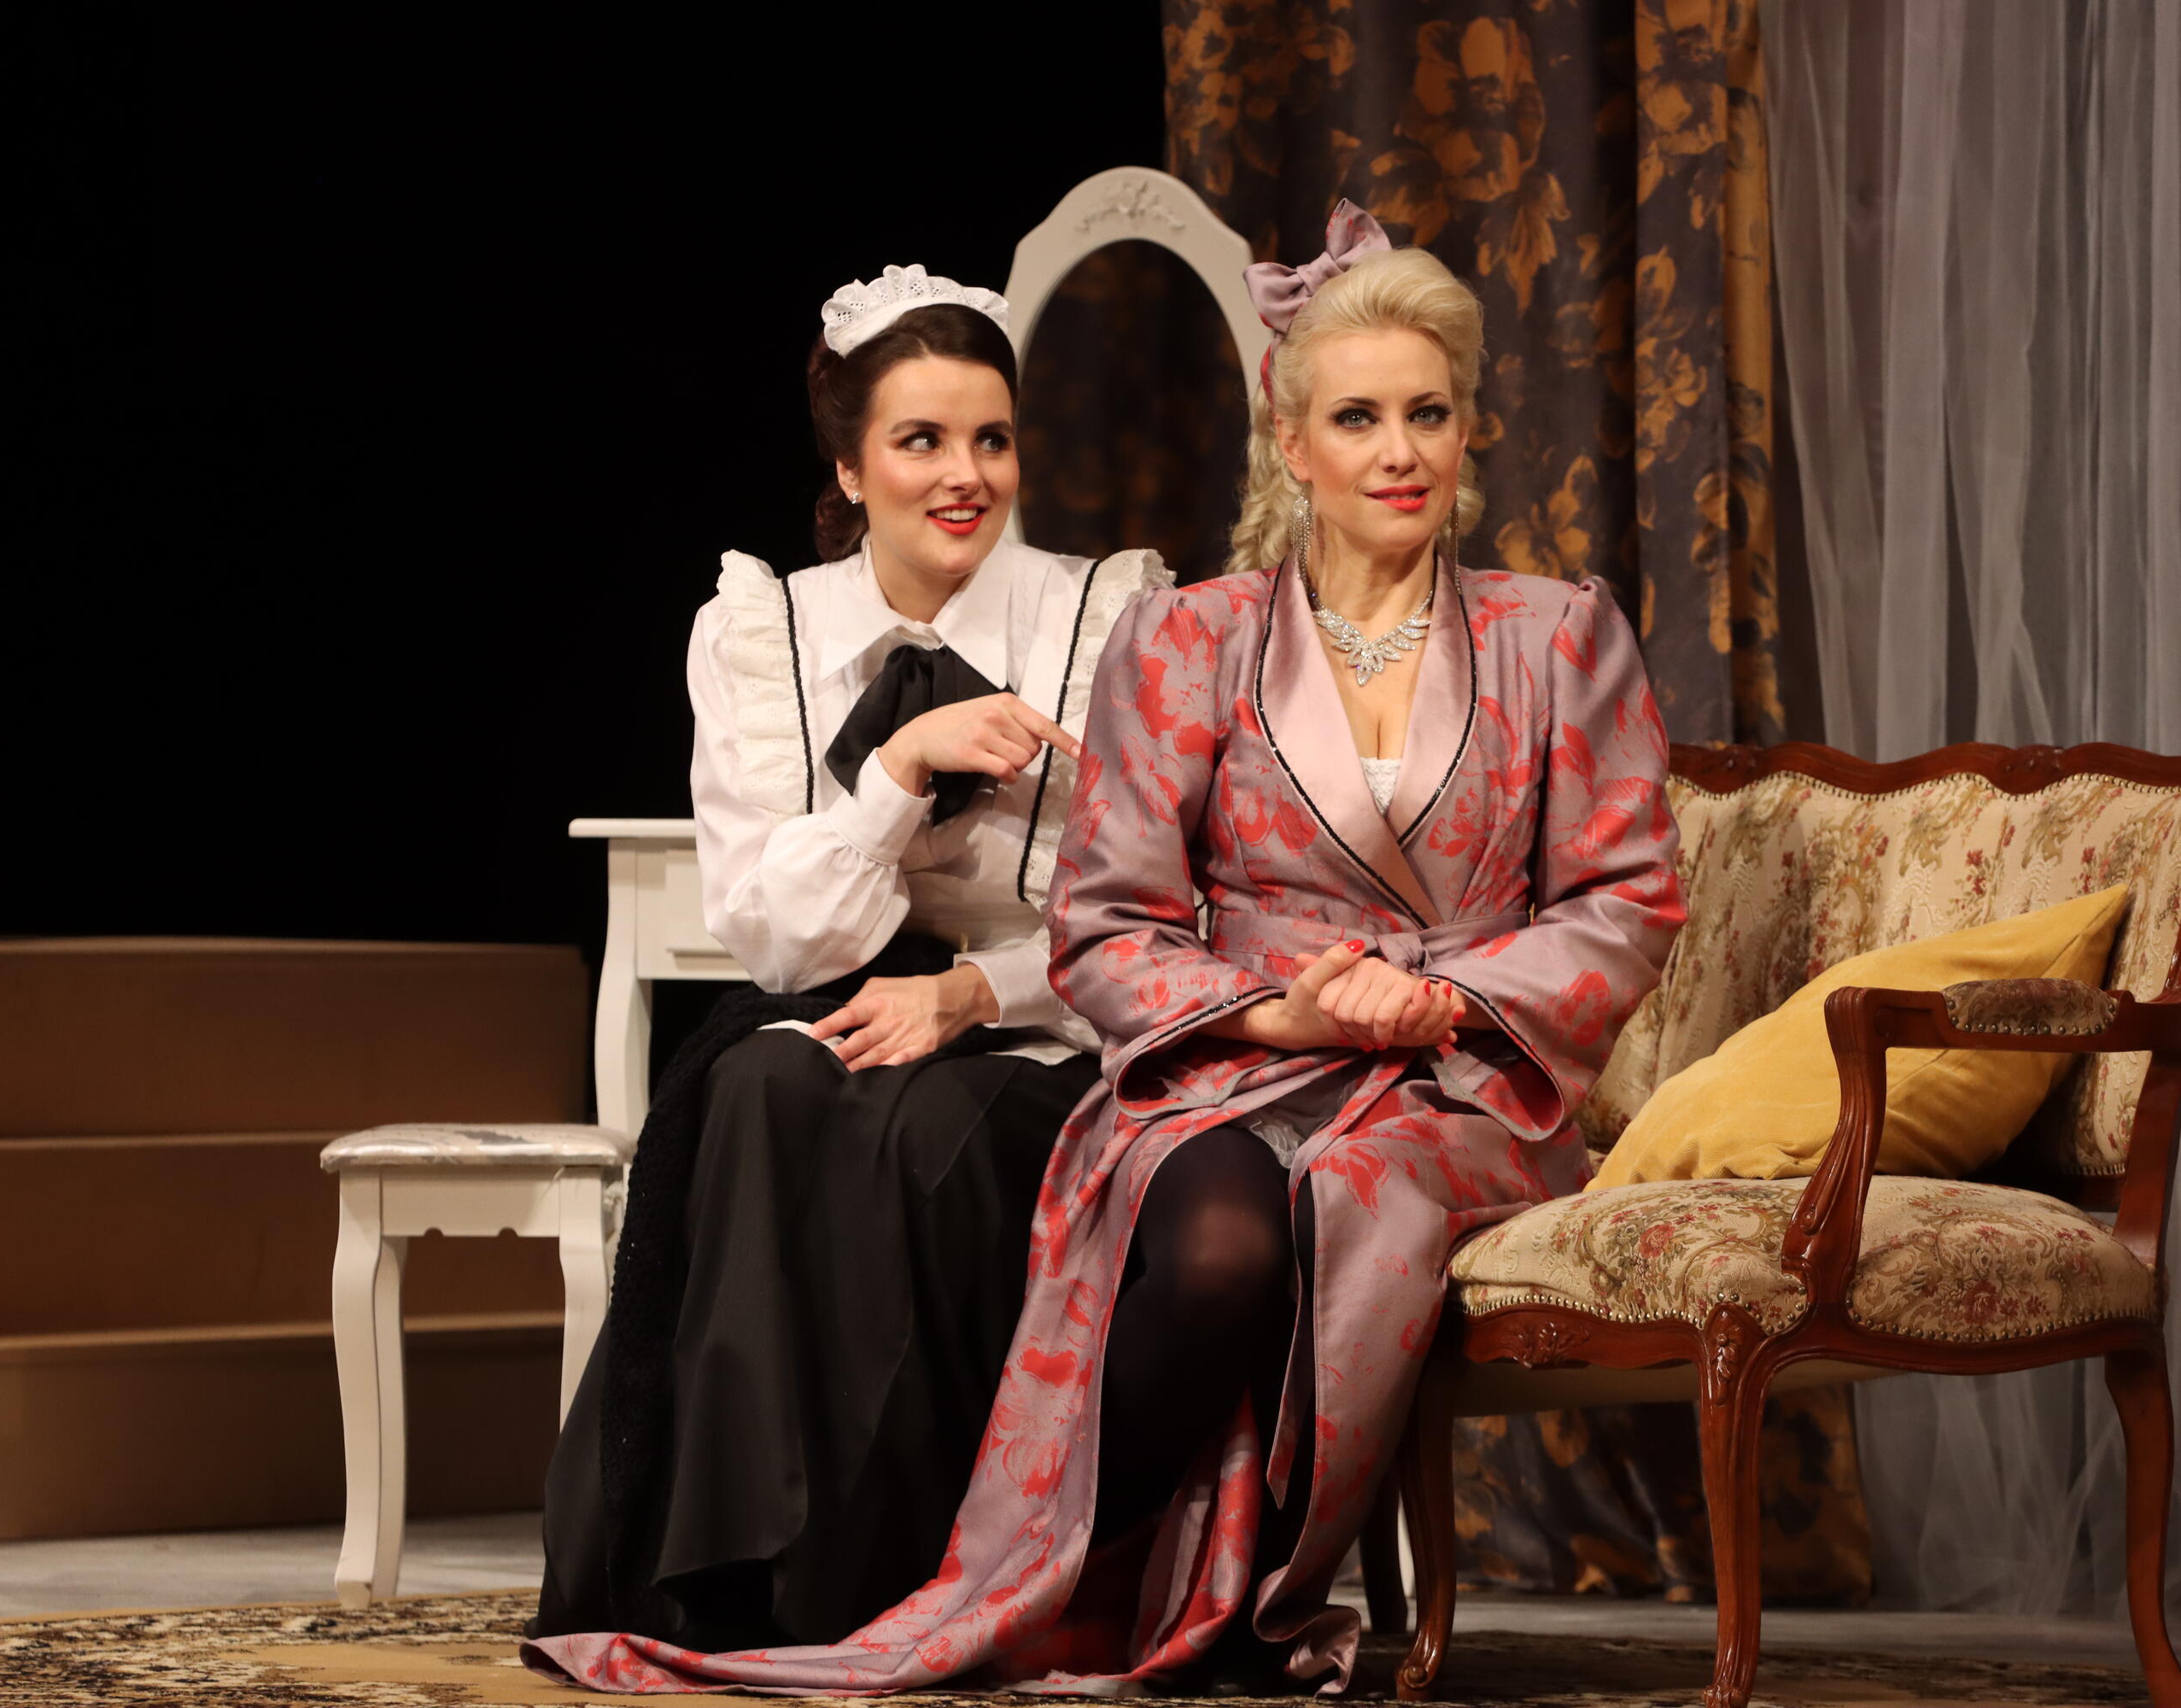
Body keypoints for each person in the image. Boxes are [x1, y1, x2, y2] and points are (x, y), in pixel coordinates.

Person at [526, 208, 1684, 1695]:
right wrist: (1274, 1017)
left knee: (1344, 1200)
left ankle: (1147, 1596)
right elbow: (1112, 917)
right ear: (1292, 442)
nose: (1399, 452)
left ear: (1469, 431)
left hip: (1458, 1082)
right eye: (1358, 417)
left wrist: (1435, 997)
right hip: (1236, 1062)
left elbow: (1624, 902)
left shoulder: (1559, 636)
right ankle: (1034, 1584)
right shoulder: (1189, 641)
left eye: (1428, 414)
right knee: (1210, 1238)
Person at [529, 264, 1167, 1654]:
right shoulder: (764, 630)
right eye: (920, 440)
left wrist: (971, 993)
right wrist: (896, 772)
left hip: (1041, 1022)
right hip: (838, 998)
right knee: (761, 1090)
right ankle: (737, 1577)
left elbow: (1150, 917)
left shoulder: (1105, 618)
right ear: (849, 465)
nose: (964, 474)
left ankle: (904, 1582)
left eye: (991, 438)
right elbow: (773, 934)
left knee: (928, 1129)